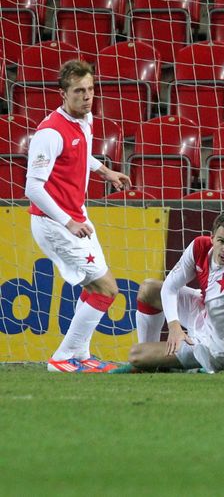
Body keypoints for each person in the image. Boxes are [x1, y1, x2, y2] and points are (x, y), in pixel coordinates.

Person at [24, 60, 131, 373]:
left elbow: (81, 154)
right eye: (79, 91)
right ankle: (63, 357)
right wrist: (67, 222)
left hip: (77, 217)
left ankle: (80, 354)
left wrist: (106, 170)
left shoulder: (85, 119)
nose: (87, 96)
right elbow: (32, 187)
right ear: (63, 94)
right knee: (107, 289)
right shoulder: (49, 133)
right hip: (56, 223)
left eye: (90, 89)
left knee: (97, 288)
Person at [112, 211, 224, 375]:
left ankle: (177, 363)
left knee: (136, 355)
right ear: (212, 237)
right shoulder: (200, 247)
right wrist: (174, 326)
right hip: (203, 312)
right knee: (149, 289)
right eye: (221, 241)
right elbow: (170, 287)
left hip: (218, 346)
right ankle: (152, 362)